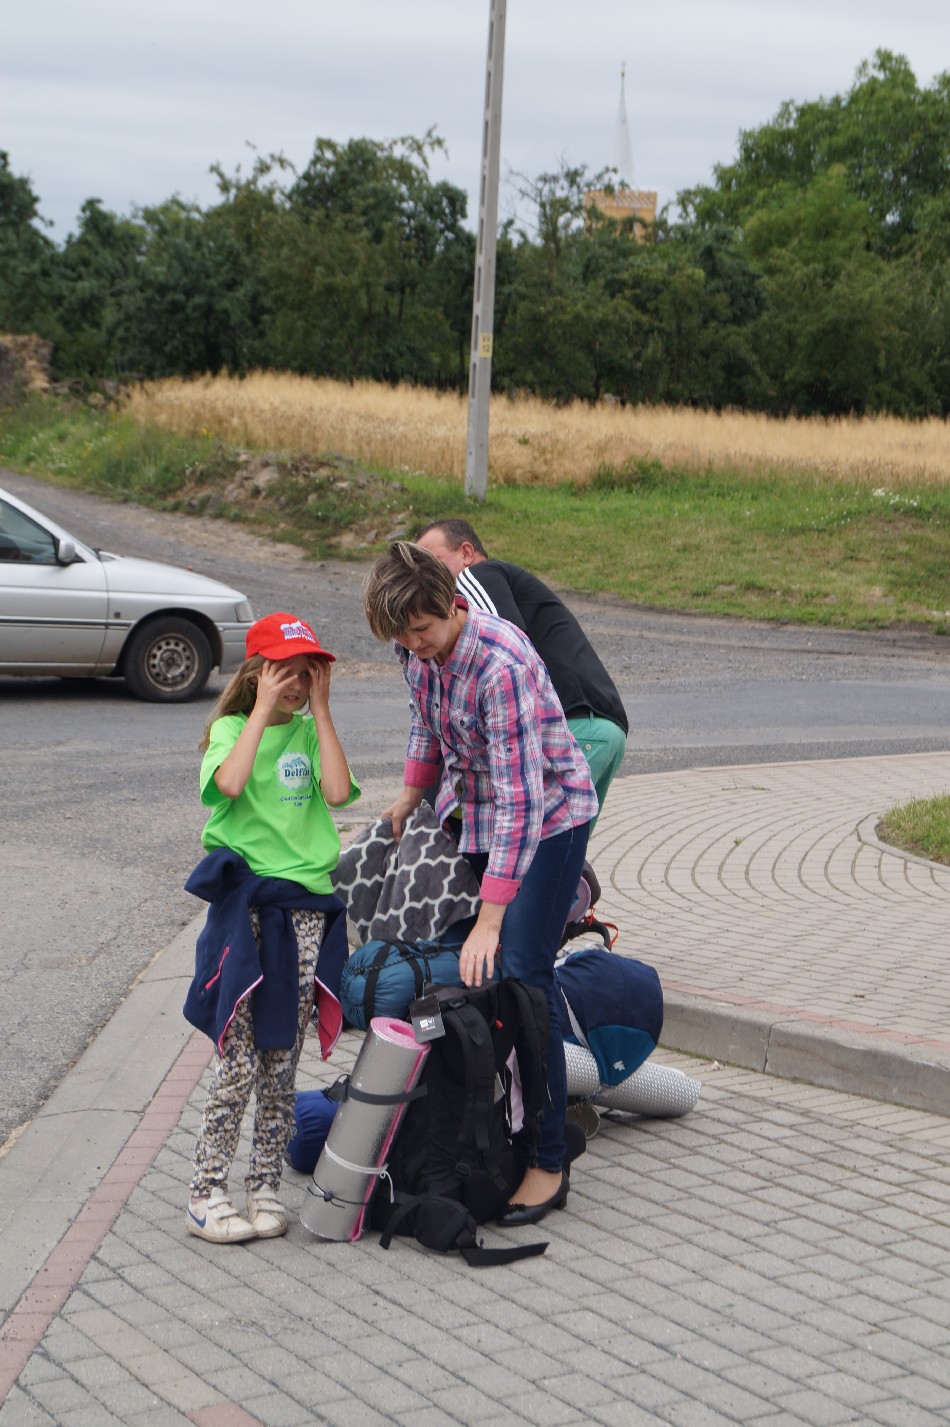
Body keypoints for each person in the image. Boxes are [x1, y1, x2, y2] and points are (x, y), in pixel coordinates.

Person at [363, 541, 598, 1225]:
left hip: (549, 818)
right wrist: (411, 794)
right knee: (485, 980)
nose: (414, 646)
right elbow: (424, 723)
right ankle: (502, 1126)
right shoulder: (414, 649)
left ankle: (548, 1161)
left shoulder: (502, 665)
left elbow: (524, 802)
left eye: (422, 630)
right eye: (402, 637)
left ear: (451, 604)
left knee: (524, 979)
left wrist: (493, 918)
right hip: (479, 814)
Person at [183, 612, 360, 1243]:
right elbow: (228, 784)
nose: (297, 684)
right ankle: (206, 1193)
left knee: (282, 1060)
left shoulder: (311, 732)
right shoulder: (232, 729)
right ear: (258, 673)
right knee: (238, 1061)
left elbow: (336, 794)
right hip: (247, 910)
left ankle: (263, 1185)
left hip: (306, 909)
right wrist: (260, 710)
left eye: (306, 672)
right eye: (285, 672)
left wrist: (323, 713)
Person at [416, 518, 628, 819]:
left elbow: (505, 655)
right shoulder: (506, 583)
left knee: (525, 841)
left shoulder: (474, 577)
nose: (425, 576)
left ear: (466, 553)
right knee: (560, 848)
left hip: (574, 728)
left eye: (433, 562)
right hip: (599, 729)